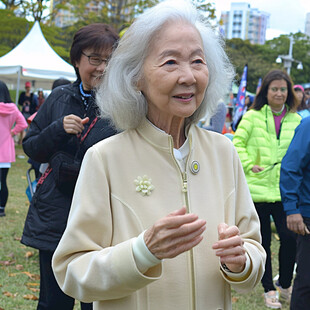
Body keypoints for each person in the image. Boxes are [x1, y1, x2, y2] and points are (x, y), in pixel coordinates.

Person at [52, 1, 266, 309]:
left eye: (197, 61)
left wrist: (241, 261)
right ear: (136, 77)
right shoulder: (105, 158)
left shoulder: (224, 152)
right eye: (170, 63)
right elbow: (72, 273)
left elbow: (253, 248)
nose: (188, 76)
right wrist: (143, 252)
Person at [20, 23, 119, 310]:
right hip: (56, 213)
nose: (102, 67)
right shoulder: (59, 97)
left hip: (101, 215)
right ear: (77, 60)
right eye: (95, 59)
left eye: (109, 60)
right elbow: (31, 147)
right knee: (53, 301)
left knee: (97, 300)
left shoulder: (123, 104)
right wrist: (57, 129)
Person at [233, 69, 301, 309]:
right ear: (266, 92)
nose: (279, 93)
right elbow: (236, 143)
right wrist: (250, 165)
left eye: (283, 89)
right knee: (261, 243)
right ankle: (268, 289)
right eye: (275, 89)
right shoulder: (251, 117)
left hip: (285, 193)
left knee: (290, 238)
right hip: (257, 191)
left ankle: (284, 283)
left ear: (289, 92)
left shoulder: (297, 120)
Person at [280, 117, 310, 310]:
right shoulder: (308, 125)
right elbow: (291, 166)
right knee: (307, 280)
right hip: (308, 214)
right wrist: (292, 209)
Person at [0, 80, 28, 217]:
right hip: (5, 149)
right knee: (3, 181)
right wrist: (11, 132)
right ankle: (1, 209)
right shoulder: (13, 109)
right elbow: (23, 124)